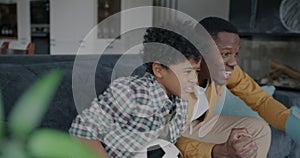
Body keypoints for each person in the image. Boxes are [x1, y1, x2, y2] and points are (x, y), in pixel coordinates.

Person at [69, 23, 202, 158]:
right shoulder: (132, 92)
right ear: (158, 70)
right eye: (187, 72)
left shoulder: (181, 103)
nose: (194, 79)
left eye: (196, 71)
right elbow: (81, 131)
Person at [175, 17, 292, 158]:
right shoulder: (173, 77)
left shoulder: (226, 71)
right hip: (171, 132)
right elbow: (168, 139)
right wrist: (217, 151)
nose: (234, 62)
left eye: (236, 54)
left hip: (198, 124)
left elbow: (261, 100)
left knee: (259, 129)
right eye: (226, 54)